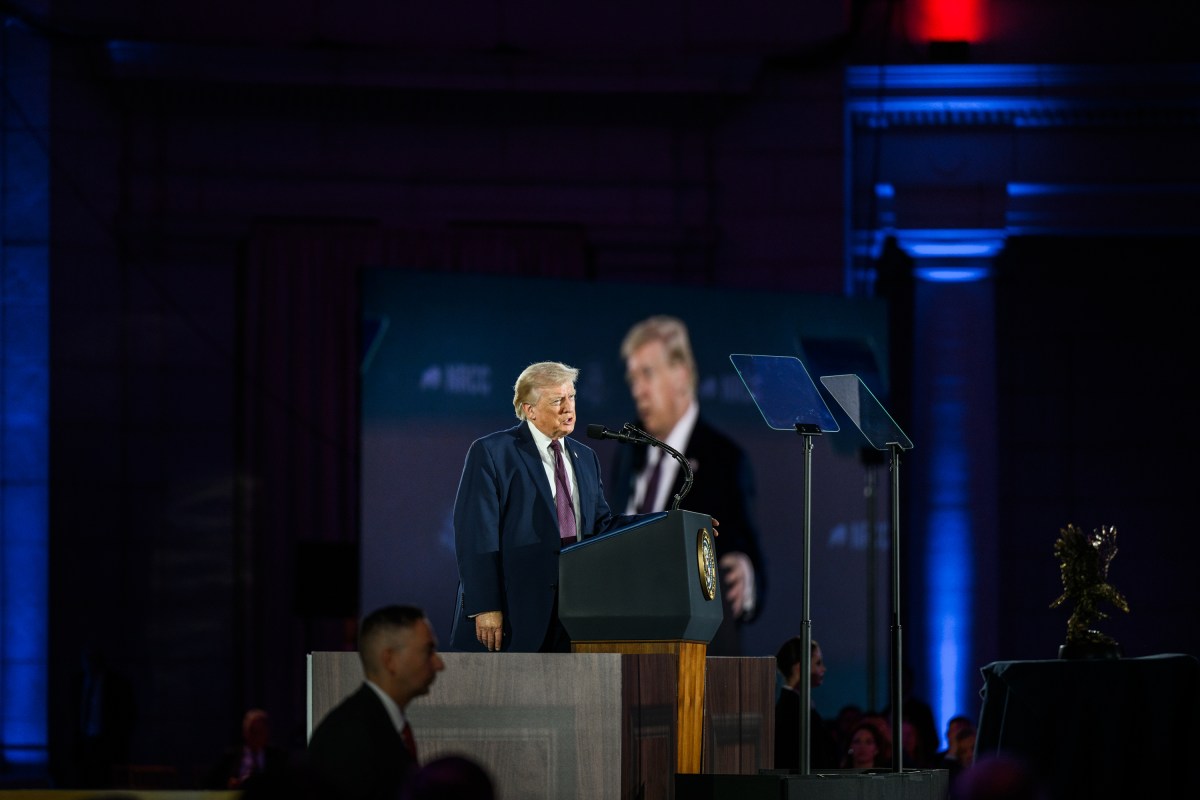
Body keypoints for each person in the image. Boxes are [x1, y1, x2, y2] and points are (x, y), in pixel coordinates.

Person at [451, 361, 642, 653]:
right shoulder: (493, 452)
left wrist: (666, 522)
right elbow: (476, 535)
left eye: (572, 397)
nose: (569, 408)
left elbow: (602, 527)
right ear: (530, 410)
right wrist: (486, 606)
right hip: (514, 616)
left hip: (574, 614)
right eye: (557, 400)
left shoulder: (585, 457)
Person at [610, 315, 766, 655]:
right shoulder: (628, 451)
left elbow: (743, 547)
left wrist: (745, 571)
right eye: (633, 378)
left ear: (681, 374)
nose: (637, 390)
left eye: (647, 374)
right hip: (623, 642)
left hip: (693, 653)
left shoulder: (724, 459)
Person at [306, 605, 444, 800]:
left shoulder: (375, 723)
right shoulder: (349, 738)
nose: (439, 664)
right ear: (390, 660)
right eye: (428, 651)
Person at [773, 636, 840, 770]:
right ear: (800, 667)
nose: (823, 669)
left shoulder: (795, 705)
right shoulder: (792, 710)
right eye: (818, 663)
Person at [205, 708, 290, 789]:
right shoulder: (230, 757)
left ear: (267, 733)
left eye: (259, 732)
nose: (255, 736)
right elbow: (210, 783)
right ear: (244, 732)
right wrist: (228, 784)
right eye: (252, 731)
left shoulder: (278, 757)